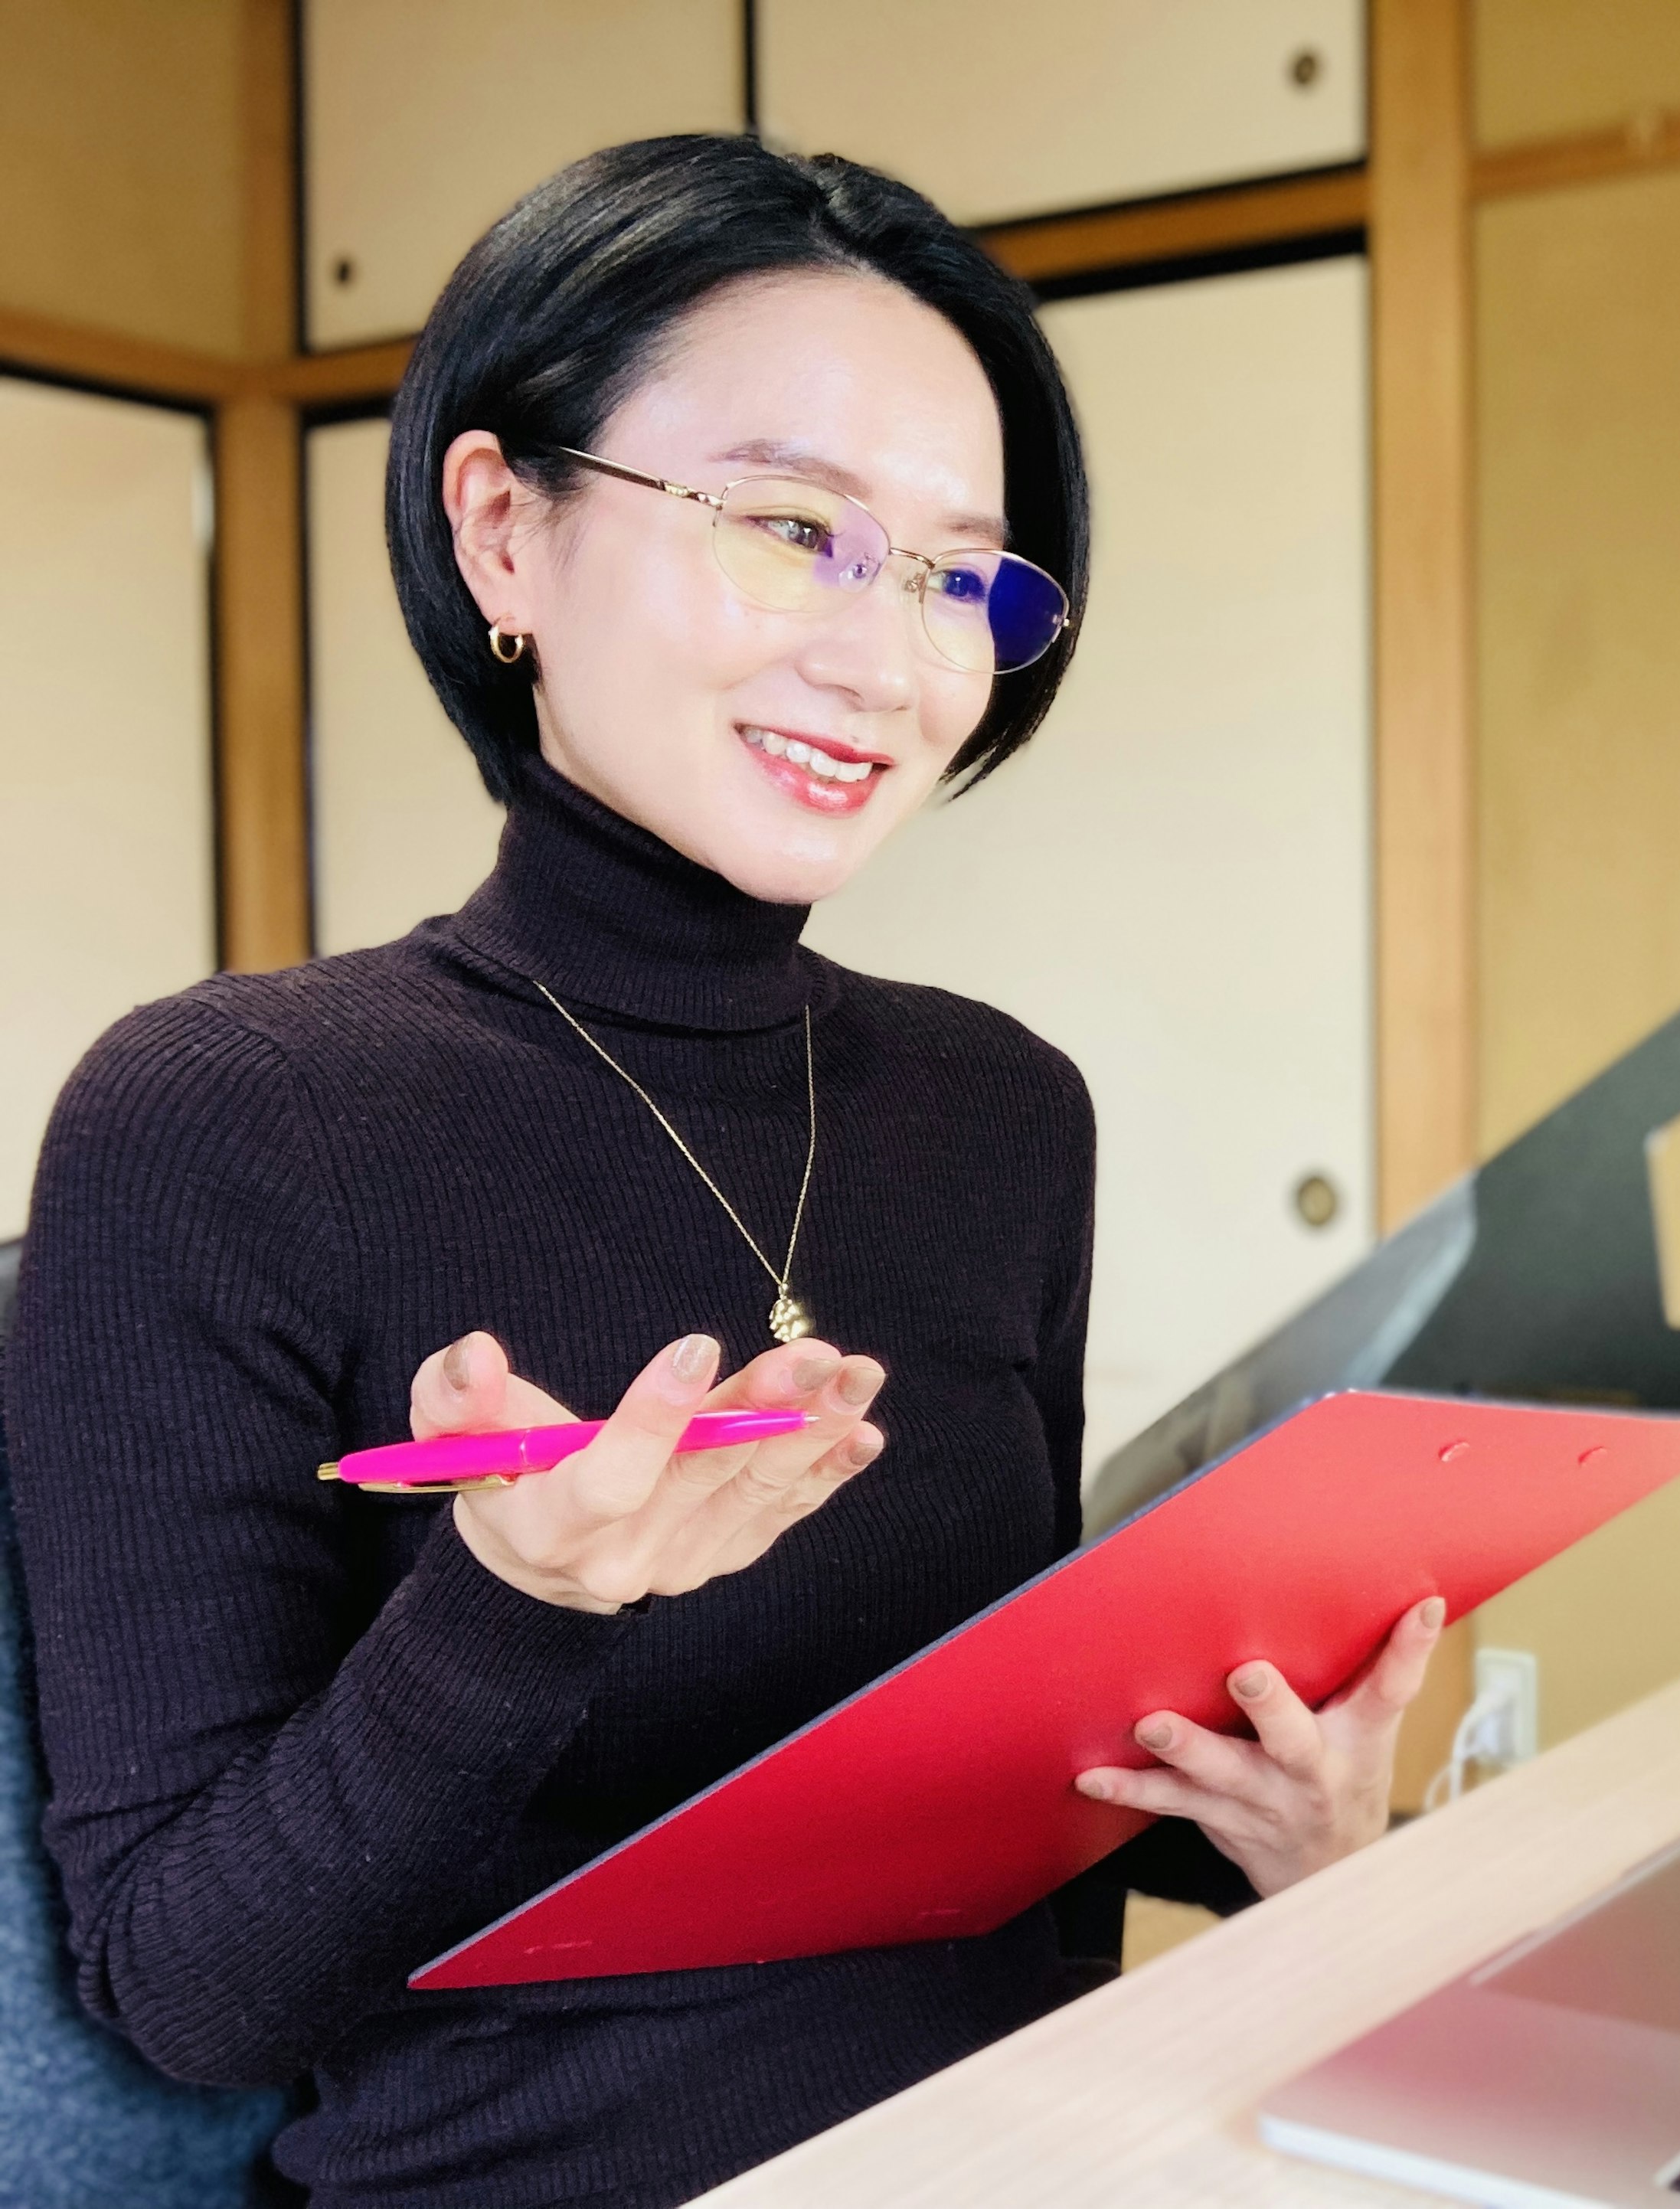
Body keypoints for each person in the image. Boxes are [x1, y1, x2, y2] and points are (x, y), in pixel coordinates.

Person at [0, 135, 1438, 2209]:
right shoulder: (225, 1114)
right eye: (793, 528)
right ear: (504, 530)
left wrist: (1277, 1844)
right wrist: (515, 1601)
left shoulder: (1000, 1110)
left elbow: (977, 1817)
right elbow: (185, 1995)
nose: (893, 660)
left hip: (1079, 2148)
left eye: (960, 573)